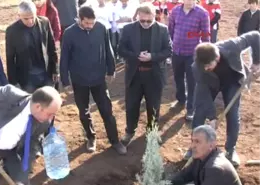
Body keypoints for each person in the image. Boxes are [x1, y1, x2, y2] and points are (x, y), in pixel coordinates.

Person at [0, 81, 62, 185]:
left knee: (21, 182)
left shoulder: (44, 123)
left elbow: (31, 148)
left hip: (13, 151)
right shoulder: (10, 95)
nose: (51, 118)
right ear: (38, 107)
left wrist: (21, 178)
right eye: (50, 114)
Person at [60, 6, 126, 155]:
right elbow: (64, 58)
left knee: (107, 110)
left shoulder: (101, 28)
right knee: (84, 112)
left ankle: (115, 140)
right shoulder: (69, 33)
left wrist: (111, 69)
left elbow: (108, 48)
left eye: (92, 23)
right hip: (79, 79)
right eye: (87, 23)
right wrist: (65, 81)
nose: (90, 26)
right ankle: (91, 137)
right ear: (79, 19)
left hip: (98, 78)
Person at [190, 31, 260, 167]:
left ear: (217, 58)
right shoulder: (197, 67)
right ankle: (193, 147)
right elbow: (203, 95)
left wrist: (257, 61)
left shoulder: (232, 46)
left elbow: (255, 36)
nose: (206, 68)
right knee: (199, 112)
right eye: (203, 66)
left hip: (231, 82)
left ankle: (230, 149)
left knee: (232, 114)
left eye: (209, 66)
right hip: (209, 84)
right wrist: (212, 117)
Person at [118, 2, 172, 147]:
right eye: (142, 20)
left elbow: (168, 50)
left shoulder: (162, 30)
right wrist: (136, 55)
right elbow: (121, 49)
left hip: (154, 75)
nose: (146, 23)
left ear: (156, 16)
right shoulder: (128, 29)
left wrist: (152, 56)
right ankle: (130, 131)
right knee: (131, 105)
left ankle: (152, 132)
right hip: (134, 75)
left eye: (149, 20)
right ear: (137, 16)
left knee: (153, 106)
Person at [168, 0, 210, 121]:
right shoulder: (175, 11)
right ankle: (181, 99)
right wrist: (171, 45)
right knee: (178, 77)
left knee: (192, 82)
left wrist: (205, 55)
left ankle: (190, 108)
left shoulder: (202, 13)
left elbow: (206, 35)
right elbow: (170, 29)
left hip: (193, 54)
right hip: (176, 52)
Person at [6, 0, 58, 93]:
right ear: (19, 16)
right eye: (26, 18)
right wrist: (13, 82)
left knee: (49, 102)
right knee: (31, 105)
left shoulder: (45, 22)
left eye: (32, 17)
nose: (30, 21)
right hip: (27, 78)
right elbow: (10, 58)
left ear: (36, 13)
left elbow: (51, 47)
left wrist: (55, 69)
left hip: (46, 74)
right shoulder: (12, 31)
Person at [170, 125, 242, 185]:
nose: (192, 146)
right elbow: (183, 176)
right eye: (192, 141)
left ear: (211, 145)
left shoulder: (215, 168)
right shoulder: (200, 158)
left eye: (197, 141)